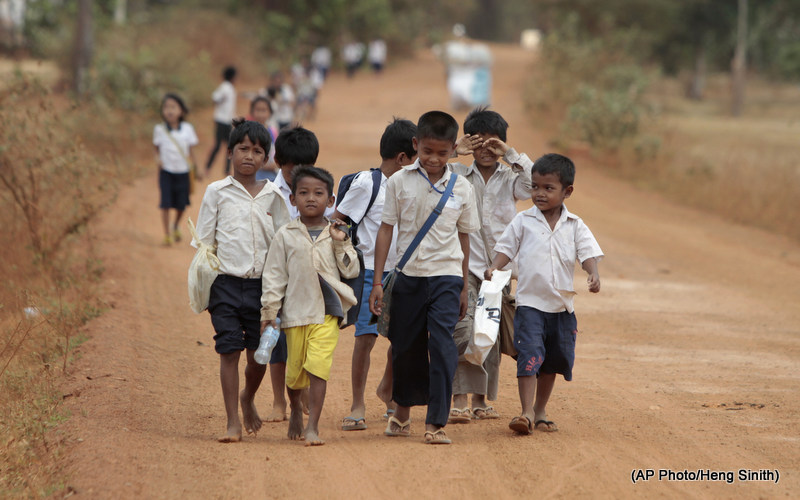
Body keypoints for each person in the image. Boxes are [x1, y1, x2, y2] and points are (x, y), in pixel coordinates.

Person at [369, 111, 479, 445]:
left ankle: (436, 423)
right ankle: (401, 414)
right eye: (427, 151)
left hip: (446, 277)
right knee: (405, 347)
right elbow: (385, 230)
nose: (433, 159)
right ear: (416, 144)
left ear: (452, 151)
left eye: (442, 153)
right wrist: (377, 281)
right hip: (408, 276)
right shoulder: (398, 182)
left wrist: (462, 285)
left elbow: (464, 239)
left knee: (443, 345)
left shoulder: (462, 187)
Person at [485, 153, 603, 435]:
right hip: (529, 305)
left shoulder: (575, 225)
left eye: (548, 188)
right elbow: (506, 248)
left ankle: (540, 410)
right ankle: (525, 413)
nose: (539, 193)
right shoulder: (523, 221)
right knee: (529, 355)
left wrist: (593, 272)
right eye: (535, 187)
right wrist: (494, 267)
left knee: (551, 361)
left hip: (562, 307)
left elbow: (587, 253)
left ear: (567, 191)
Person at [193, 118, 291, 442]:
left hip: (264, 287)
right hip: (225, 283)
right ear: (230, 151)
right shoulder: (216, 192)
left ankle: (248, 395)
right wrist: (203, 284)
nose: (249, 156)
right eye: (243, 149)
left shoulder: (274, 195)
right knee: (229, 350)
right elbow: (205, 242)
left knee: (258, 355)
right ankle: (232, 421)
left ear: (266, 158)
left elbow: (283, 241)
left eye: (257, 151)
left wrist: (283, 287)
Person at [261, 166, 360, 445]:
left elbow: (351, 271)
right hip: (295, 313)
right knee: (294, 375)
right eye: (303, 193)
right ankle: (294, 408)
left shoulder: (336, 232)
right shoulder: (285, 234)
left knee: (318, 366)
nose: (311, 198)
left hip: (327, 314)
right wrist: (269, 312)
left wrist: (341, 243)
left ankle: (312, 426)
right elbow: (274, 276)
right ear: (292, 200)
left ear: (331, 201)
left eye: (319, 193)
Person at [447, 106, 533, 423]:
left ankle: (481, 400)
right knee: (463, 328)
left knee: (489, 334)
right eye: (478, 144)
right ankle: (458, 399)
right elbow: (424, 172)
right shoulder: (455, 175)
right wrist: (455, 153)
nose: (485, 151)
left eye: (492, 144)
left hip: (498, 271)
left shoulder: (512, 179)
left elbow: (534, 183)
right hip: (463, 265)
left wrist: (511, 154)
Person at [332, 118, 418, 431]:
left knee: (402, 336)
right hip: (370, 271)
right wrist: (340, 240)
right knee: (365, 337)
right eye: (417, 156)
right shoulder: (369, 184)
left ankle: (387, 388)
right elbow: (339, 218)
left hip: (404, 272)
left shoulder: (410, 183)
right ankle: (357, 403)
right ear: (403, 158)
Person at [153, 93, 198, 246]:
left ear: (181, 111)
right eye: (166, 107)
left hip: (183, 171)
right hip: (166, 172)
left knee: (181, 204)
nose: (169, 111)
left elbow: (191, 150)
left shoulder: (188, 129)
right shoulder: (159, 129)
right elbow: (156, 148)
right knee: (165, 203)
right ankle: (167, 234)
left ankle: (175, 224)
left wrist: (195, 167)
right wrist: (157, 160)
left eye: (173, 107)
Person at [205, 66, 237, 177]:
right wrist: (220, 99)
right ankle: (209, 168)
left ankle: (225, 170)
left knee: (227, 146)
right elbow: (215, 97)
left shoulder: (229, 88)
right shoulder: (225, 87)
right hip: (222, 121)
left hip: (226, 121)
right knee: (220, 146)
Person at [246, 96, 279, 182]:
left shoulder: (273, 131)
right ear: (252, 112)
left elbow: (276, 151)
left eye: (264, 110)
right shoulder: (247, 132)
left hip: (271, 176)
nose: (261, 114)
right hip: (253, 176)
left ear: (270, 112)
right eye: (258, 110)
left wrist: (274, 165)